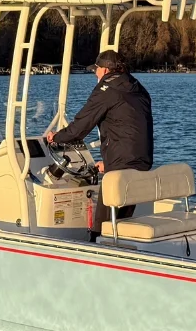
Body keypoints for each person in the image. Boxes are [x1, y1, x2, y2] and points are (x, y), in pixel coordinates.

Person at [44, 49, 153, 227]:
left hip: (121, 164)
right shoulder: (137, 87)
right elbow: (130, 130)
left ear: (105, 70)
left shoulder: (107, 89)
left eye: (97, 69)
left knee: (103, 225)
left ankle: (99, 240)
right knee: (121, 218)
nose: (95, 73)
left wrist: (57, 137)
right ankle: (119, 240)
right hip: (142, 161)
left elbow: (80, 127)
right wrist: (108, 164)